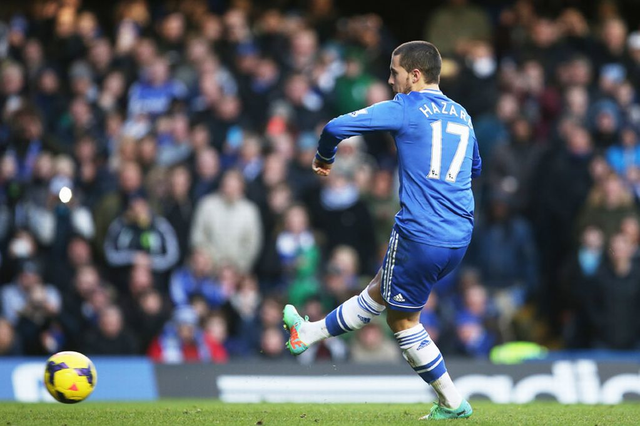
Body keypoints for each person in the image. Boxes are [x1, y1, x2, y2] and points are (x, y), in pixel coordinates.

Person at [282, 41, 481, 420]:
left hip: (421, 233)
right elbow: (474, 169)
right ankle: (306, 335)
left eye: (395, 72)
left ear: (415, 75)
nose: (390, 80)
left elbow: (335, 127)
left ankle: (453, 402)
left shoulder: (407, 107)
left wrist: (324, 159)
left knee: (401, 321)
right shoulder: (462, 114)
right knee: (380, 289)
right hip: (459, 236)